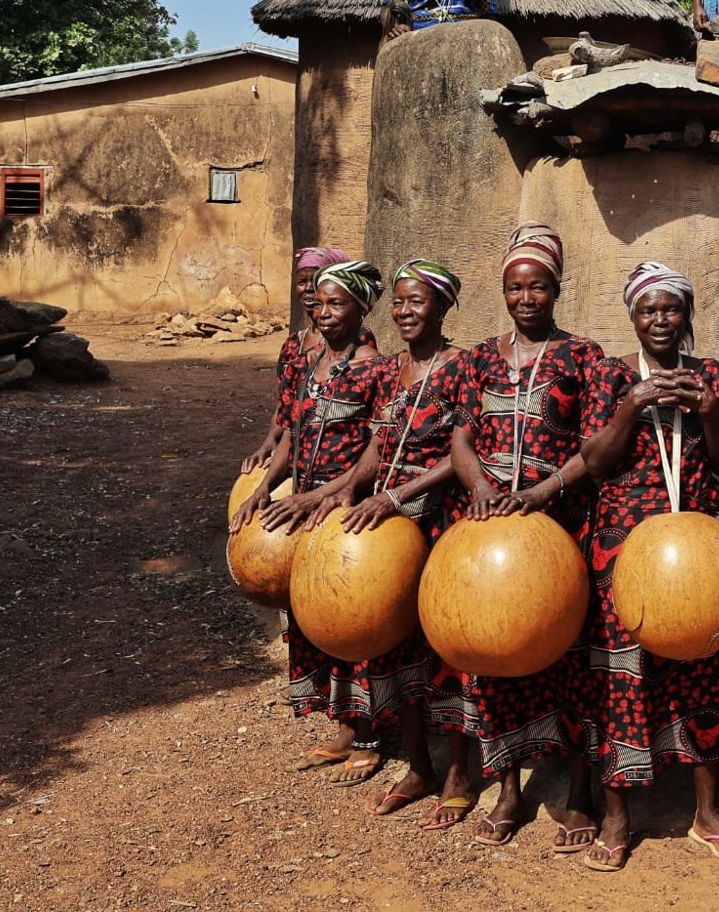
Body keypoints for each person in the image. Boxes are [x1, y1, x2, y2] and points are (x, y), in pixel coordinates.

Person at [575, 263, 719, 872]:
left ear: (687, 316)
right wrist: (631, 407)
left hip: (699, 545)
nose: (660, 320)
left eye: (671, 309)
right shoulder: (610, 376)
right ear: (633, 316)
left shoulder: (709, 375)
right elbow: (597, 462)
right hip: (627, 545)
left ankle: (707, 814)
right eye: (648, 310)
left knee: (703, 667)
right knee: (622, 678)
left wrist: (707, 411)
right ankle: (618, 815)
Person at [426, 224, 604, 846]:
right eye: (514, 288)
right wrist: (480, 488)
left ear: (556, 288)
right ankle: (507, 790)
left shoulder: (584, 357)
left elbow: (594, 449)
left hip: (558, 524)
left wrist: (541, 492)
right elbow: (461, 438)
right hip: (486, 527)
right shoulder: (477, 358)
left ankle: (579, 794)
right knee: (493, 655)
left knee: (571, 657)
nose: (526, 298)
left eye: (537, 287)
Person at [229, 261, 402, 787]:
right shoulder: (311, 365)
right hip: (304, 501)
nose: (324, 314)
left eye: (338, 304)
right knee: (308, 619)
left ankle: (372, 736)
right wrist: (264, 488)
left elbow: (377, 451)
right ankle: (347, 726)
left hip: (343, 509)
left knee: (350, 619)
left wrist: (321, 496)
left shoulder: (378, 370)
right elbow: (292, 437)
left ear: (361, 308)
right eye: (320, 304)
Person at [321, 260, 471, 817]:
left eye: (419, 302)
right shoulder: (388, 371)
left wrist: (395, 496)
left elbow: (462, 453)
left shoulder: (463, 367)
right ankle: (418, 766)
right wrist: (349, 490)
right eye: (400, 302)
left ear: (443, 305)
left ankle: (458, 772)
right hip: (389, 522)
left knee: (445, 644)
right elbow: (377, 448)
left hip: (440, 520)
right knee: (393, 643)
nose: (406, 312)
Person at [242, 245, 352, 475]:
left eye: (318, 281)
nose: (309, 289)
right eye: (302, 282)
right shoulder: (294, 344)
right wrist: (269, 441)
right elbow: (284, 404)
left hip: (330, 454)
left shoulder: (352, 341)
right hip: (290, 445)